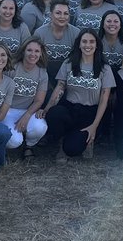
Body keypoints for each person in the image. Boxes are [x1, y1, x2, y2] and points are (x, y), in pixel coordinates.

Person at [43, 30, 115, 160]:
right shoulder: (69, 63)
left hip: (91, 113)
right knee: (53, 114)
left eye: (92, 41)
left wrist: (95, 125)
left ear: (97, 45)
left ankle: (88, 141)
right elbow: (60, 87)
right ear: (79, 44)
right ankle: (63, 139)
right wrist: (48, 108)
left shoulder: (105, 68)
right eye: (84, 41)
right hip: (70, 108)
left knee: (72, 149)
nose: (88, 45)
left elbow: (104, 99)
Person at [3, 37, 50, 156]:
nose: (33, 54)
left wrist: (27, 115)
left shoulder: (42, 72)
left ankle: (29, 145)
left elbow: (39, 100)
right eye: (29, 50)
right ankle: (2, 144)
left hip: (28, 110)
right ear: (23, 51)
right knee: (14, 141)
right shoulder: (12, 67)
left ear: (41, 54)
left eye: (37, 51)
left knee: (40, 127)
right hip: (7, 109)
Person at [33, 0, 80, 80]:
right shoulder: (39, 33)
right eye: (58, 13)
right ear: (51, 14)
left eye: (66, 13)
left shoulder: (76, 33)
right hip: (44, 76)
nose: (62, 17)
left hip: (69, 76)